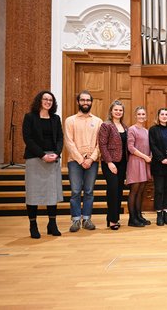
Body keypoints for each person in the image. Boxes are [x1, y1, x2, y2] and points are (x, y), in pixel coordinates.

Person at [22, 91, 63, 238]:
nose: (47, 102)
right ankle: (33, 225)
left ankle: (52, 224)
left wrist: (56, 153)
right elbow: (28, 138)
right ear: (39, 100)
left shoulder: (55, 118)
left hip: (52, 158)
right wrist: (42, 155)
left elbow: (60, 138)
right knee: (33, 193)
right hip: (35, 159)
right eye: (45, 99)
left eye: (50, 100)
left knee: (52, 193)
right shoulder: (30, 117)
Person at [64, 90, 103, 232]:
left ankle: (87, 219)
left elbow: (100, 144)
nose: (85, 102)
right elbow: (68, 142)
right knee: (75, 191)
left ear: (91, 102)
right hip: (75, 161)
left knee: (89, 191)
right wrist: (81, 160)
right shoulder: (70, 120)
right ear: (78, 102)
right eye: (83, 100)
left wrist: (91, 159)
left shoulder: (98, 121)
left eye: (88, 100)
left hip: (92, 161)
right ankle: (75, 220)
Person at [98, 100, 128, 230]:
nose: (118, 112)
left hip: (122, 163)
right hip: (110, 163)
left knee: (119, 191)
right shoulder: (106, 125)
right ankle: (112, 220)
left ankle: (113, 217)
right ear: (111, 111)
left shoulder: (125, 126)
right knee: (113, 190)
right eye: (116, 110)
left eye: (120, 110)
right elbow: (102, 145)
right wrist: (109, 162)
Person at [126, 106, 152, 227]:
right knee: (134, 191)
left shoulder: (147, 131)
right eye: (139, 114)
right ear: (135, 115)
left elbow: (149, 146)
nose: (141, 116)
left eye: (143, 114)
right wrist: (144, 157)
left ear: (146, 116)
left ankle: (139, 216)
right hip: (136, 162)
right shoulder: (132, 129)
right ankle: (132, 218)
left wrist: (150, 156)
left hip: (145, 162)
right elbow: (131, 148)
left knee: (141, 191)